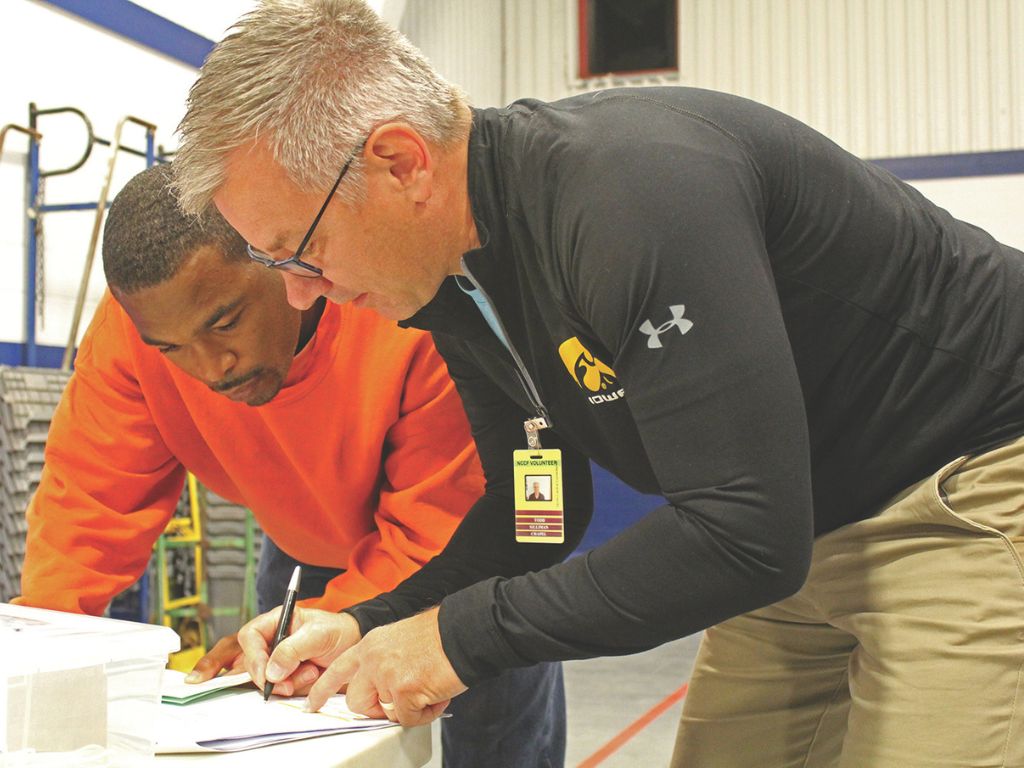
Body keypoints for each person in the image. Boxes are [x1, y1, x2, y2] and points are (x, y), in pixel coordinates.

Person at [173, 2, 1024, 766]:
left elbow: (744, 532)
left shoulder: (630, 198)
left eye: (298, 250)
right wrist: (373, 618)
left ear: (401, 163)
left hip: (967, 484)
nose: (295, 290)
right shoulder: (461, 284)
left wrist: (459, 639)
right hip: (803, 533)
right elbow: (536, 516)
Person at [15, 163, 568, 768]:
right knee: (286, 737)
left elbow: (441, 524)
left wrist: (342, 619)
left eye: (225, 322)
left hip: (462, 556)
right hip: (300, 556)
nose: (211, 367)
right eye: (171, 349)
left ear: (283, 262)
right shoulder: (136, 331)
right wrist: (40, 657)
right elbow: (88, 504)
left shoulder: (401, 308)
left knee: (497, 738)